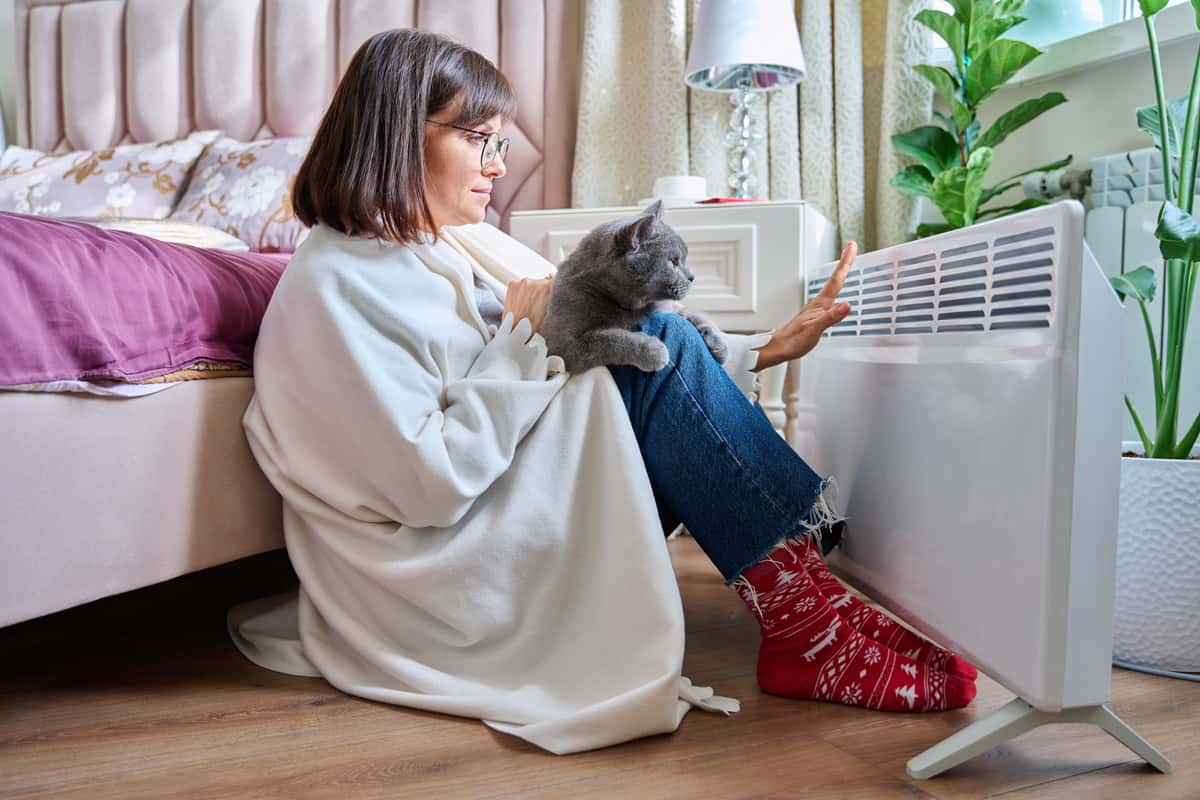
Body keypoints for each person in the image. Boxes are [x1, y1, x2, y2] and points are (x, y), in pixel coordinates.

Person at [228, 29, 977, 755]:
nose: (497, 165)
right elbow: (431, 485)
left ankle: (813, 609)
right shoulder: (336, 284)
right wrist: (522, 346)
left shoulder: (430, 251)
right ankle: (809, 619)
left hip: (508, 507)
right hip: (446, 572)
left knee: (655, 337)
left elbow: (566, 346)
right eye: (478, 139)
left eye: (501, 142)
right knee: (657, 349)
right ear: (396, 134)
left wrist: (764, 349)